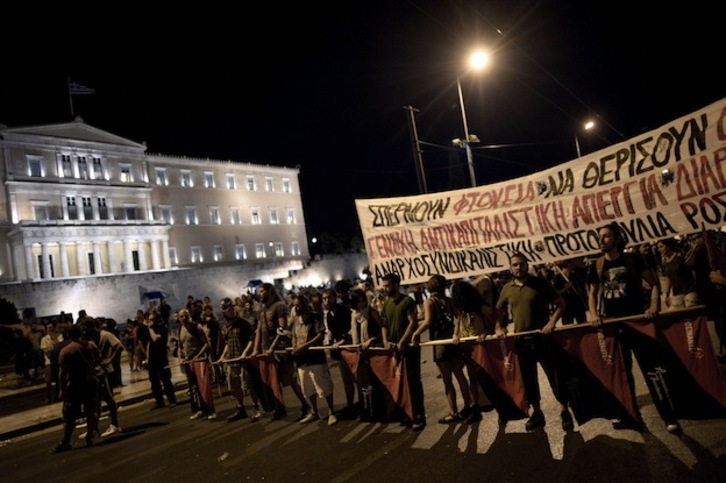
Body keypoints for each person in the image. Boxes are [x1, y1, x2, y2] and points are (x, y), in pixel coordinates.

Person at [587, 221, 681, 433]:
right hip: (614, 326)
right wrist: (593, 314)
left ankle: (668, 416)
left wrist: (653, 305)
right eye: (599, 237)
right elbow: (592, 293)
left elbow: (654, 283)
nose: (601, 240)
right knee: (621, 372)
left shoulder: (633, 259)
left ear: (617, 239)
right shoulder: (598, 264)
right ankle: (629, 415)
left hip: (637, 324)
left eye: (606, 236)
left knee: (652, 370)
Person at [495, 252, 573, 432]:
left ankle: (565, 411)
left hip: (543, 339)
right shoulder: (507, 288)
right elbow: (498, 311)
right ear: (510, 267)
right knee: (529, 379)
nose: (518, 267)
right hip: (521, 341)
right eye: (515, 264)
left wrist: (552, 322)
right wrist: (499, 327)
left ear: (527, 264)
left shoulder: (540, 283)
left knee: (555, 377)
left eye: (521, 264)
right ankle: (537, 413)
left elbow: (561, 304)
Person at [411, 275, 472, 424]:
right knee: (460, 376)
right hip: (453, 340)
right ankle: (468, 406)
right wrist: (455, 333)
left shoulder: (430, 302)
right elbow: (458, 317)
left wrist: (416, 333)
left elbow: (428, 321)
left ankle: (453, 412)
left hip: (439, 343)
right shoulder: (451, 301)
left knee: (447, 380)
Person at [252, 282, 309, 420]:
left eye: (262, 291)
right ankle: (280, 408)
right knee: (274, 381)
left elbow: (282, 329)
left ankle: (306, 405)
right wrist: (256, 349)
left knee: (291, 379)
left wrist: (273, 347)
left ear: (270, 292)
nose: (260, 294)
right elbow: (259, 330)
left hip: (280, 350)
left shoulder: (279, 306)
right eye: (259, 292)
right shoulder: (262, 310)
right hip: (268, 351)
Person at [381, 272, 426, 430]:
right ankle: (406, 414)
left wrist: (403, 341)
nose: (384, 289)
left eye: (387, 286)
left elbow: (412, 322)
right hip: (395, 350)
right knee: (400, 382)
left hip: (409, 349)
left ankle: (418, 415)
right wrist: (386, 341)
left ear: (395, 284)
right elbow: (384, 325)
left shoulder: (408, 301)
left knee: (413, 383)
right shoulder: (386, 304)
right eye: (383, 286)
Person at [450, 279, 496, 423]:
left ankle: (498, 406)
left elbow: (494, 323)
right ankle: (476, 408)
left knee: (488, 378)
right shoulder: (462, 310)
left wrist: (485, 333)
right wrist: (455, 334)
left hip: (482, 349)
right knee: (472, 378)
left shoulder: (481, 307)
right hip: (467, 349)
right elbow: (457, 323)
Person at [50, 324, 101, 453]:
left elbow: (62, 373)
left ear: (68, 335)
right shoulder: (91, 345)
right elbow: (98, 359)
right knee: (91, 410)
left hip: (75, 384)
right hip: (91, 381)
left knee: (69, 414)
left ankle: (66, 441)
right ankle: (90, 436)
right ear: (80, 333)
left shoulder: (66, 350)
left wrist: (62, 389)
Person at [291, 295, 338, 426]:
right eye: (295, 305)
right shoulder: (295, 320)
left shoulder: (315, 317)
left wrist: (303, 346)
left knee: (324, 387)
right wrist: (295, 345)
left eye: (299, 305)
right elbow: (293, 335)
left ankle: (331, 412)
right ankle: (314, 411)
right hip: (301, 360)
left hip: (315, 358)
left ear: (305, 304)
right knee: (307, 389)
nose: (297, 307)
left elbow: (319, 335)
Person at [215, 298, 261, 422]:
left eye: (229, 308)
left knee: (249, 385)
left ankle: (256, 408)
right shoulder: (225, 325)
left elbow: (252, 339)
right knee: (235, 386)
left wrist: (245, 353)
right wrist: (223, 357)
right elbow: (227, 343)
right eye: (225, 309)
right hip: (232, 359)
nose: (228, 311)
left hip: (244, 360)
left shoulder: (243, 323)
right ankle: (241, 409)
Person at [79, 317, 123, 439]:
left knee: (109, 398)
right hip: (94, 373)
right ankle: (94, 428)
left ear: (92, 327)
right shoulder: (88, 338)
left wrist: (110, 360)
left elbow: (119, 346)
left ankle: (114, 424)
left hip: (105, 372)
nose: (84, 332)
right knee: (95, 402)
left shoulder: (105, 334)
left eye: (85, 329)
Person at [323, 287, 357, 419]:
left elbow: (351, 328)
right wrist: (329, 341)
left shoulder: (344, 310)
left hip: (349, 347)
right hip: (339, 350)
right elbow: (330, 330)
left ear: (334, 297)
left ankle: (365, 403)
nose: (327, 301)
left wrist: (341, 341)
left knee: (356, 378)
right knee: (346, 379)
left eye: (329, 298)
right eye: (324, 299)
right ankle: (350, 405)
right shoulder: (328, 314)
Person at [177, 308, 217, 421]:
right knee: (193, 387)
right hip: (188, 362)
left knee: (204, 386)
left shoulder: (196, 327)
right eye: (181, 316)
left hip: (199, 361)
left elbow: (206, 344)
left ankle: (211, 410)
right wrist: (180, 358)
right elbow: (180, 347)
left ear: (189, 315)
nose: (183, 318)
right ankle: (199, 409)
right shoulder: (180, 329)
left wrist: (197, 356)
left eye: (185, 315)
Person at [146, 311, 177, 410]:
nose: (149, 322)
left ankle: (172, 400)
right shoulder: (151, 330)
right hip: (152, 359)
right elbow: (149, 344)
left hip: (161, 357)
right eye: (149, 320)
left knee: (165, 379)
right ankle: (159, 401)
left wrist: (150, 329)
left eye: (151, 320)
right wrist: (147, 358)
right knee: (154, 381)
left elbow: (155, 339)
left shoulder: (162, 329)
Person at [657, 237, 699, 310]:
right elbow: (668, 278)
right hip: (677, 293)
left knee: (691, 312)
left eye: (661, 247)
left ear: (668, 246)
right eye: (658, 248)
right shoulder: (664, 262)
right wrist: (666, 294)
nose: (659, 250)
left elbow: (691, 270)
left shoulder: (680, 256)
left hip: (689, 290)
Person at [551, 258, 588, 325]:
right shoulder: (558, 278)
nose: (574, 265)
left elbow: (579, 289)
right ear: (568, 264)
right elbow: (556, 293)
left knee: (583, 322)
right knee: (567, 324)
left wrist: (582, 299)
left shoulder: (573, 275)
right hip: (567, 305)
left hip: (577, 304)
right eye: (573, 263)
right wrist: (566, 288)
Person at [40, 321, 61, 403]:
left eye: (51, 327)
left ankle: (57, 396)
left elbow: (60, 348)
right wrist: (55, 349)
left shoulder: (59, 337)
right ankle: (48, 397)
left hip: (57, 361)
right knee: (48, 381)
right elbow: (46, 352)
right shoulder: (44, 339)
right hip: (49, 362)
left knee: (57, 380)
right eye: (48, 327)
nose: (50, 329)